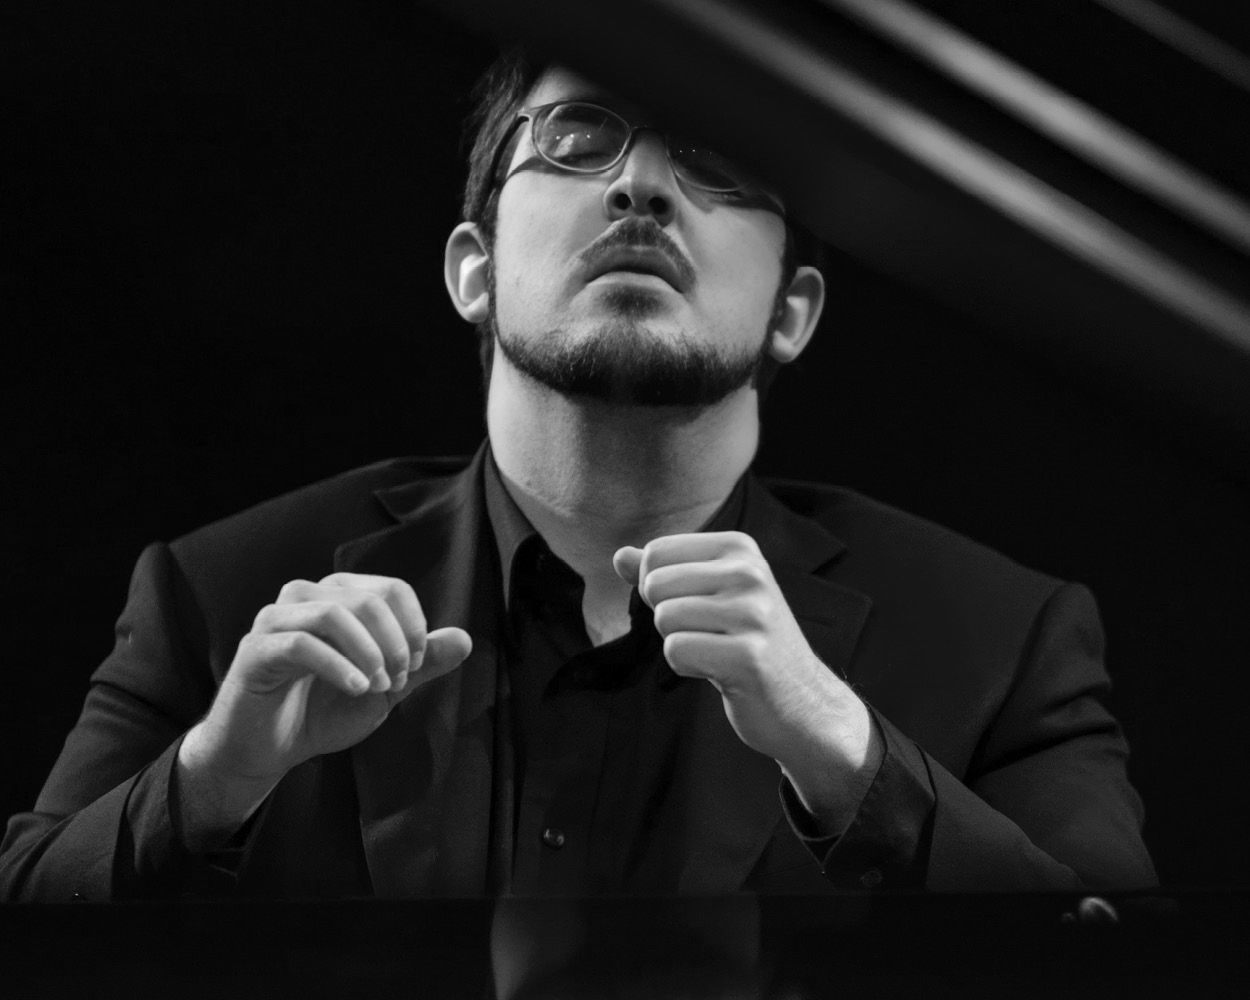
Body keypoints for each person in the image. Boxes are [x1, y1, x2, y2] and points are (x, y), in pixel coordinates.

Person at [0, 51, 1156, 900]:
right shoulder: (217, 592)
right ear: (474, 270)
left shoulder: (1004, 636)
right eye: (580, 138)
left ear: (793, 314)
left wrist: (846, 755)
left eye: (717, 161)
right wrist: (210, 779)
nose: (640, 186)